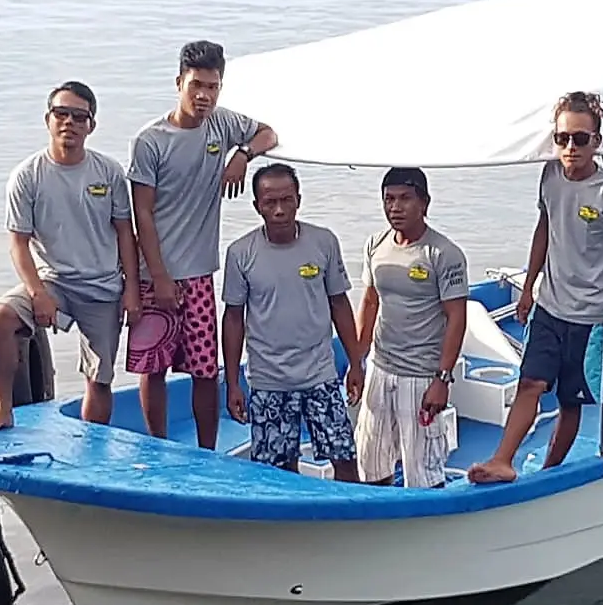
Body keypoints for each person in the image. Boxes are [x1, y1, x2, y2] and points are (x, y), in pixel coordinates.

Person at [468, 91, 603, 484]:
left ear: (596, 142)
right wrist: (528, 287)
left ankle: (548, 474)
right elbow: (543, 229)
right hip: (550, 305)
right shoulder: (549, 175)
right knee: (530, 382)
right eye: (563, 139)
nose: (571, 148)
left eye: (580, 139)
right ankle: (502, 460)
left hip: (592, 315)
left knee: (570, 400)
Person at [126, 40, 279, 449]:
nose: (204, 95)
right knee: (153, 368)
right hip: (154, 271)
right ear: (179, 83)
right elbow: (142, 212)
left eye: (212, 86)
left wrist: (242, 154)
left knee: (204, 370)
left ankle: (206, 450)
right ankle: (157, 443)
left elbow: (269, 133)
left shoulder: (222, 124)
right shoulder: (150, 140)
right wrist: (157, 275)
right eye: (196, 85)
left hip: (198, 273)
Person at [0, 81, 140, 433]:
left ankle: (93, 441)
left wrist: (132, 289)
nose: (69, 122)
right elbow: (18, 243)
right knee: (1, 316)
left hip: (102, 285)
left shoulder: (108, 172)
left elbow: (126, 233)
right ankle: (3, 408)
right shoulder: (27, 176)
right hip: (52, 281)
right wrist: (37, 293)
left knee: (99, 378)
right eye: (61, 114)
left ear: (91, 125)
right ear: (48, 119)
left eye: (79, 116)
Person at [220, 164, 364, 480]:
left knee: (345, 458)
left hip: (320, 376)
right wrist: (232, 383)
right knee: (277, 472)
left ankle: (349, 520)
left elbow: (339, 303)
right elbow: (233, 318)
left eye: (287, 200)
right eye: (270, 202)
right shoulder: (240, 253)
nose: (280, 210)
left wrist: (355, 363)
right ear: (257, 205)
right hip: (268, 381)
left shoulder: (324, 242)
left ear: (299, 199)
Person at [354, 167, 469, 488]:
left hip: (421, 377)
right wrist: (357, 361)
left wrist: (442, 379)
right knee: (371, 464)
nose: (395, 207)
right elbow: (370, 302)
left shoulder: (444, 254)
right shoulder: (375, 244)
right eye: (389, 199)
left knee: (423, 473)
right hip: (380, 369)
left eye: (405, 199)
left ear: (424, 203)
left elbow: (457, 318)